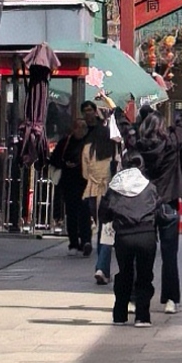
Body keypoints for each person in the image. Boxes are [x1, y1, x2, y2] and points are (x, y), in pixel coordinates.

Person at [126, 99, 182, 313]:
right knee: (169, 255)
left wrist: (116, 108)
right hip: (168, 204)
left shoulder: (137, 145)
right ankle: (170, 300)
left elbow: (123, 127)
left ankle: (136, 297)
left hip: (144, 205)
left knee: (141, 254)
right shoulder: (172, 143)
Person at [101, 153, 160, 325]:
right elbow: (158, 207)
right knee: (144, 275)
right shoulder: (149, 187)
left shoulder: (116, 186)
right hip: (146, 235)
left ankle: (120, 314)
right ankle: (142, 316)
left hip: (124, 236)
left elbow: (104, 213)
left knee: (124, 273)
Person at [82, 99, 117, 283]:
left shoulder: (88, 147)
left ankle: (101, 266)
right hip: (108, 192)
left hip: (92, 191)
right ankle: (102, 267)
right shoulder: (112, 148)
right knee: (107, 229)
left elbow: (84, 171)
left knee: (100, 229)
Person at [53, 106, 91, 251]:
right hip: (69, 183)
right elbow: (55, 159)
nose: (81, 130)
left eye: (84, 127)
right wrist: (65, 164)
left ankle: (86, 240)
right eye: (79, 127)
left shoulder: (89, 143)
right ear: (74, 129)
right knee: (71, 212)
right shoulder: (65, 143)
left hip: (85, 182)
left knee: (84, 212)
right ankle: (74, 240)